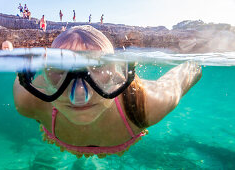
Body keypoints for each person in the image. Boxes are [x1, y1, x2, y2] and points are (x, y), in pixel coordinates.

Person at [13, 25, 202, 158]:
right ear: (45, 73)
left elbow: (190, 70)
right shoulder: (28, 99)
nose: (79, 96)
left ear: (118, 73)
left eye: (98, 67)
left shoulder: (145, 103)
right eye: (59, 70)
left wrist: (196, 56)